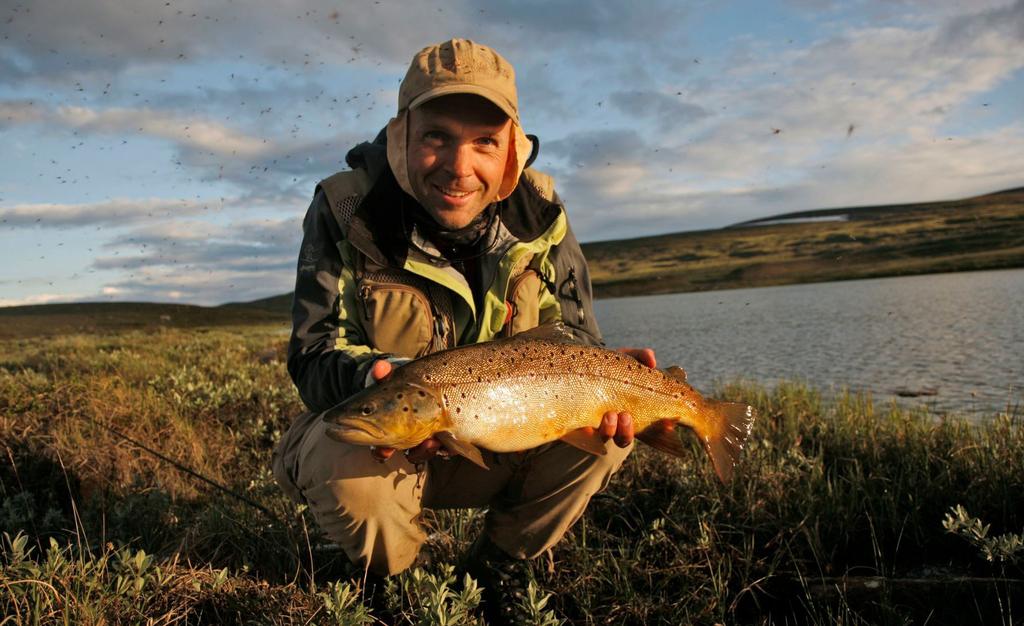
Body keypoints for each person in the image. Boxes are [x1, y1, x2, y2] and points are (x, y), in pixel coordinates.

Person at [271, 38, 655, 622]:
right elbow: (313, 351)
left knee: (603, 436)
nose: (459, 167)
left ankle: (499, 564)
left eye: (484, 143)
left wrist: (606, 373)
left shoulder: (544, 215)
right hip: (394, 437)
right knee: (338, 449)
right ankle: (393, 580)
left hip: (504, 433)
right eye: (437, 137)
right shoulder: (345, 210)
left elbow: (578, 338)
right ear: (401, 135)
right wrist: (372, 378)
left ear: (512, 151)